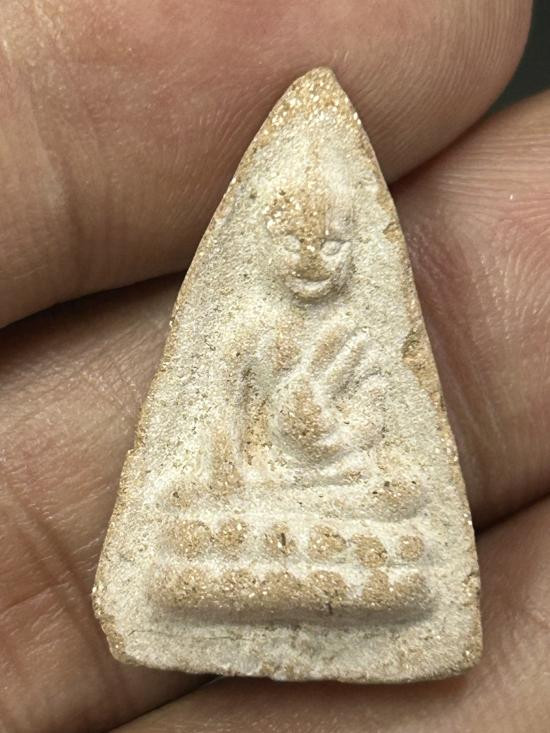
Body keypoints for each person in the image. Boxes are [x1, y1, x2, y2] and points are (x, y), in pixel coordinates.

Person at [1, 1, 548, 730]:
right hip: (253, 508)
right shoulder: (246, 338)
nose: (314, 261)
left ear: (357, 248)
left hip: (340, 496)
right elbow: (221, 445)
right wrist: (239, 470)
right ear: (264, 242)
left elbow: (376, 442)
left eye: (333, 245)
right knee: (192, 522)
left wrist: (330, 439)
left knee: (403, 505)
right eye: (295, 243)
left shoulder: (358, 345)